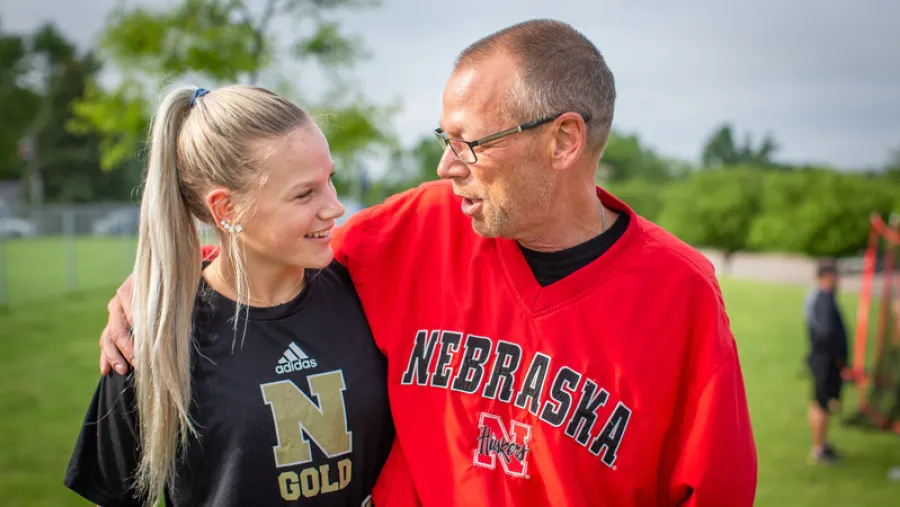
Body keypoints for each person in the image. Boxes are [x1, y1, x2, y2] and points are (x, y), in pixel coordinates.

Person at [96, 19, 758, 506]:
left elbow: (715, 487)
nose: (447, 167)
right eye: (445, 140)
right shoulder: (414, 229)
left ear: (562, 141)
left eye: (470, 144)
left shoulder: (681, 292)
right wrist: (167, 282)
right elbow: (279, 245)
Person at [64, 85, 397, 507]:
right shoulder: (154, 337)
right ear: (226, 210)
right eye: (304, 193)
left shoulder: (365, 292)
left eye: (329, 180)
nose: (335, 208)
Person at [803, 258, 848, 465]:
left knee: (819, 402)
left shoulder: (821, 296)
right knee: (821, 404)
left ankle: (821, 443)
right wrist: (838, 360)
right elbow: (826, 332)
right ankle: (818, 449)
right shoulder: (822, 298)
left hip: (822, 360)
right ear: (828, 276)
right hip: (825, 362)